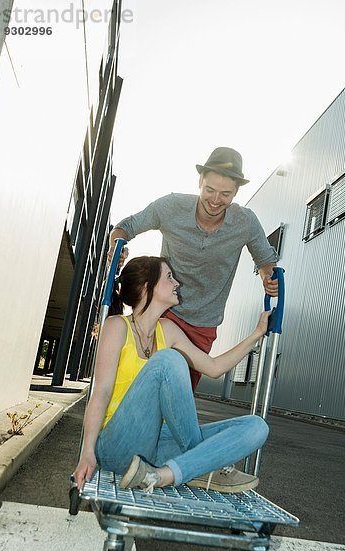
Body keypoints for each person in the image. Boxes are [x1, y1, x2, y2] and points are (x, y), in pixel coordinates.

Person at [73, 256, 270, 495]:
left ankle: (163, 475)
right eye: (169, 277)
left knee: (257, 426)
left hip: (155, 451)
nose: (177, 283)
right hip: (117, 444)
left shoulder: (167, 330)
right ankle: (201, 465)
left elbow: (215, 368)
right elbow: (101, 392)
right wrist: (87, 452)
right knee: (169, 360)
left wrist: (257, 334)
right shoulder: (117, 326)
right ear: (147, 287)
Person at [108, 147, 278, 391]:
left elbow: (265, 261)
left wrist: (268, 278)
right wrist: (117, 244)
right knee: (143, 383)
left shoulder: (245, 222)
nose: (216, 200)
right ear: (200, 182)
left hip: (203, 323)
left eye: (225, 194)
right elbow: (127, 226)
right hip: (163, 310)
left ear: (236, 193)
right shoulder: (171, 206)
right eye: (210, 190)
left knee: (179, 393)